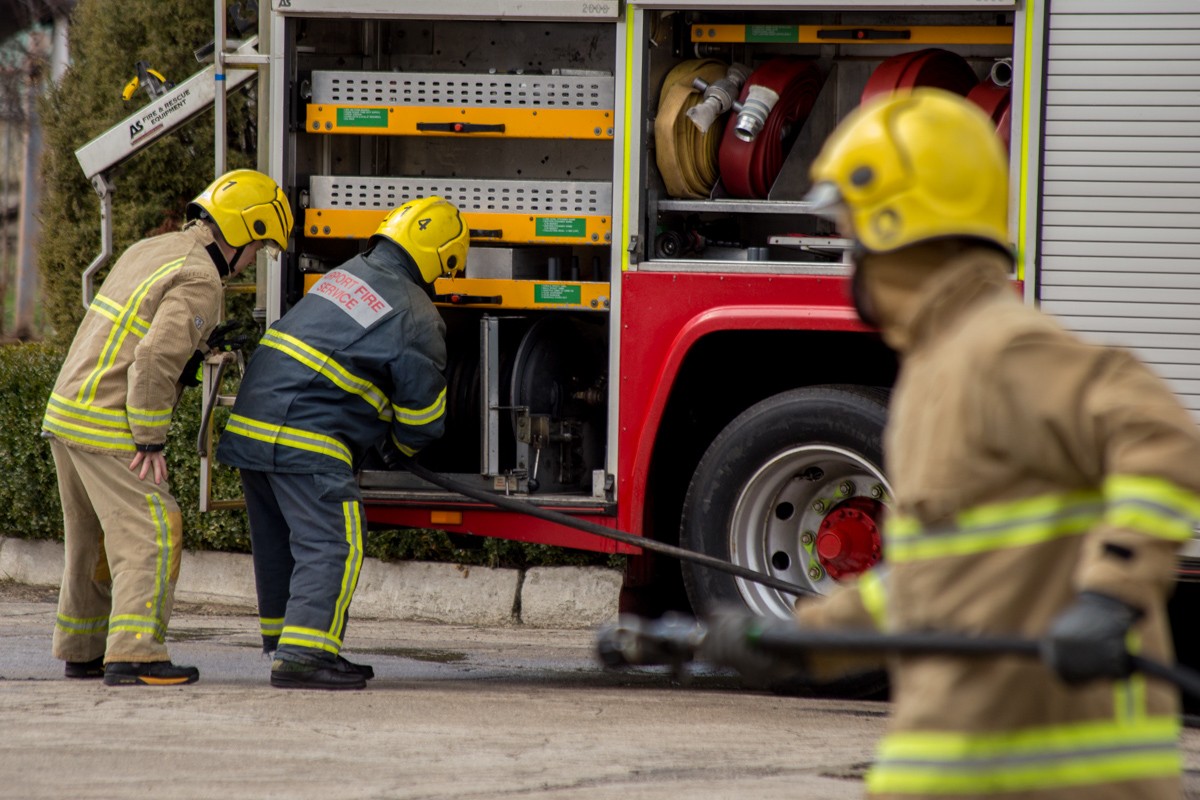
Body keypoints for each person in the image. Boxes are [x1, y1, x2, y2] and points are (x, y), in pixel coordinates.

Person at [706, 88, 1200, 798]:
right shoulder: (934, 373)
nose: (849, 263)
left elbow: (1161, 438)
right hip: (963, 758)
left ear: (897, 230)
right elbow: (932, 578)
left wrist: (1110, 596)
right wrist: (804, 638)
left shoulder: (1003, 347)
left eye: (853, 237)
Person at [43, 168, 293, 687]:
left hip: (69, 410)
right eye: (258, 246)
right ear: (242, 232)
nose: (253, 260)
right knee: (154, 527)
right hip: (110, 418)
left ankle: (83, 648)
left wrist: (201, 348)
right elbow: (154, 357)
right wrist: (150, 438)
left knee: (91, 538)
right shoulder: (201, 277)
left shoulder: (151, 249)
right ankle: (136, 654)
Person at [216, 195, 468, 690]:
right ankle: (305, 656)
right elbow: (422, 418)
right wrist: (399, 448)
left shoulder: (345, 275)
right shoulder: (417, 312)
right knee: (334, 540)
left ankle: (286, 642)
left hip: (252, 425)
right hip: (304, 435)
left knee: (280, 542)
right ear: (444, 259)